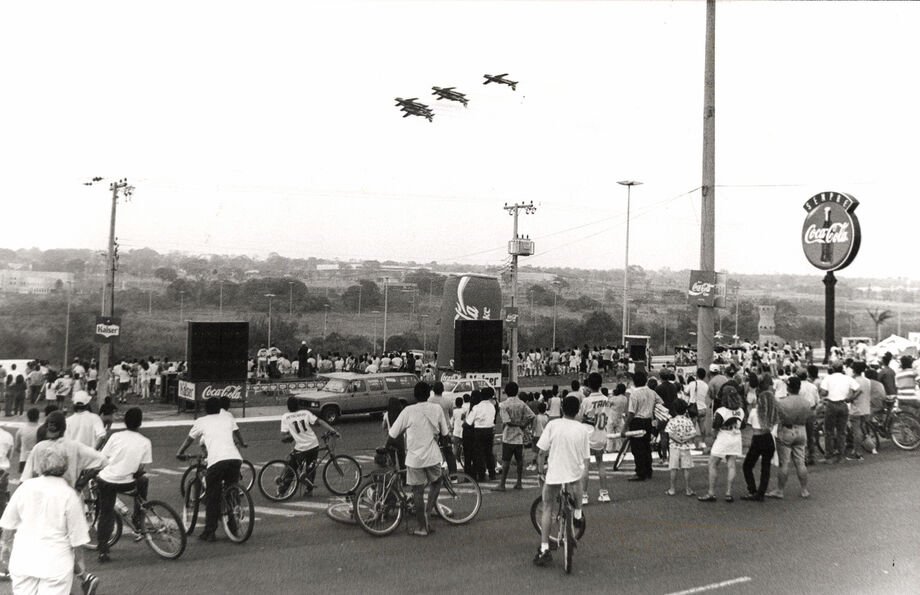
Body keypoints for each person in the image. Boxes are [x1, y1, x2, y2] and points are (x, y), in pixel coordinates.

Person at [0, 441, 100, 595]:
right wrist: (82, 571)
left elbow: (8, 525)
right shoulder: (69, 495)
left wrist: (5, 550)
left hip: (23, 559)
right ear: (65, 467)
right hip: (56, 564)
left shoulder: (25, 488)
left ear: (39, 465)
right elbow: (77, 540)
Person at [387, 382, 450, 537]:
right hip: (432, 456)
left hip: (414, 459)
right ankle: (428, 514)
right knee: (437, 482)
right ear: (428, 394)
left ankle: (422, 526)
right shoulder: (436, 408)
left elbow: (393, 434)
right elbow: (445, 433)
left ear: (414, 395)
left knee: (417, 491)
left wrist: (387, 447)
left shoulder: (408, 410)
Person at [176, 397, 243, 542]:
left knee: (213, 496)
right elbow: (235, 436)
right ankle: (234, 527)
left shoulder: (202, 421)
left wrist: (180, 452)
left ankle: (209, 531)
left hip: (217, 461)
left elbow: (189, 439)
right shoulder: (227, 419)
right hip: (235, 458)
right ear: (220, 409)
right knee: (232, 489)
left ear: (205, 409)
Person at [533, 395, 589, 567]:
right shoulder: (582, 429)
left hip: (555, 472)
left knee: (548, 507)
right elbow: (586, 459)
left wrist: (540, 470)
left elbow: (541, 452)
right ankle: (578, 512)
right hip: (573, 471)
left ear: (562, 409)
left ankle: (544, 549)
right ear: (578, 410)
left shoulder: (553, 425)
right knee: (577, 481)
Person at [94, 408, 152, 563]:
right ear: (140, 423)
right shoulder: (146, 442)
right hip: (128, 482)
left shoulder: (115, 436)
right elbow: (141, 468)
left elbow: (103, 458)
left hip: (108, 480)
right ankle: (139, 513)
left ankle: (103, 550)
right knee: (143, 480)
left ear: (125, 421)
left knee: (106, 513)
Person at [22, 411, 108, 490]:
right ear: (63, 428)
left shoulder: (38, 447)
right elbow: (103, 460)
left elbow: (26, 477)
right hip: (68, 492)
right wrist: (83, 481)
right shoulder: (75, 446)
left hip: (42, 493)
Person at [277, 397, 339, 497]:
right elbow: (320, 421)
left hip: (300, 447)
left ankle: (281, 492)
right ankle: (309, 490)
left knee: (291, 468)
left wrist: (291, 437)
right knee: (311, 468)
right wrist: (333, 430)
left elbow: (283, 435)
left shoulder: (285, 417)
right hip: (313, 444)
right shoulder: (305, 413)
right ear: (298, 405)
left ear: (288, 407)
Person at [767, 377, 813, 500]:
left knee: (784, 463)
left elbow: (776, 418)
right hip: (801, 429)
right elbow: (809, 417)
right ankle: (804, 490)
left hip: (787, 430)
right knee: (800, 462)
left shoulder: (782, 402)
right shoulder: (806, 403)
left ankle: (780, 490)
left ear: (788, 387)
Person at [698, 386, 745, 503]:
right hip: (736, 437)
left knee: (712, 463)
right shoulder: (741, 410)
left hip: (723, 438)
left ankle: (711, 492)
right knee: (731, 464)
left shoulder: (721, 411)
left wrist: (712, 440)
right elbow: (743, 426)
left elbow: (715, 429)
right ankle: (728, 493)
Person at [620, 371, 663, 482]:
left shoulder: (635, 394)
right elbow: (660, 402)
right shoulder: (651, 392)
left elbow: (631, 413)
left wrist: (625, 427)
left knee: (637, 448)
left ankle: (640, 472)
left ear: (635, 382)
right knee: (646, 446)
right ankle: (648, 470)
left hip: (637, 422)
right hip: (648, 421)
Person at [577, 372, 612, 503]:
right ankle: (604, 493)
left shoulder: (586, 401)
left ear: (589, 385)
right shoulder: (607, 399)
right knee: (600, 463)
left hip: (588, 434)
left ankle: (584, 495)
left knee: (585, 465)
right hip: (601, 433)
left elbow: (580, 417)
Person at [494, 382, 535, 492]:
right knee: (519, 460)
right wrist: (523, 425)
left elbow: (507, 421)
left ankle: (502, 484)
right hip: (519, 436)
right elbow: (532, 416)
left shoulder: (503, 405)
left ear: (506, 392)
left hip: (508, 435)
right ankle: (519, 482)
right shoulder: (521, 403)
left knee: (506, 460)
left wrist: (518, 424)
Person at [741, 385, 778, 501]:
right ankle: (761, 493)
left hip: (757, 439)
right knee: (765, 467)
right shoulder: (773, 413)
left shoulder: (754, 412)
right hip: (768, 438)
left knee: (747, 465)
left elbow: (749, 426)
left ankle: (752, 489)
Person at [819, 363, 860, 464]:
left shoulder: (828, 378)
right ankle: (841, 456)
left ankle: (829, 456)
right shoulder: (847, 378)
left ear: (832, 368)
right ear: (842, 369)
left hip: (831, 405)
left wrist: (826, 392)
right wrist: (850, 398)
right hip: (843, 404)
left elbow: (823, 393)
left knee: (829, 432)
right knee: (842, 432)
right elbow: (858, 390)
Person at [664, 399, 696, 497]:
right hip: (685, 447)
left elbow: (670, 434)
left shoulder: (672, 421)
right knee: (686, 468)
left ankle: (672, 489)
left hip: (674, 447)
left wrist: (678, 440)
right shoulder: (688, 421)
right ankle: (688, 489)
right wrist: (684, 439)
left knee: (674, 468)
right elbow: (693, 433)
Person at [466, 388, 497, 481]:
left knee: (479, 454)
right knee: (489, 452)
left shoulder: (477, 407)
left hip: (479, 431)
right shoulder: (492, 407)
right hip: (489, 430)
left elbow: (468, 422)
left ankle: (481, 474)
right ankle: (492, 473)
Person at [13, 408, 41, 473]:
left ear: (27, 417)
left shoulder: (21, 429)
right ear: (38, 417)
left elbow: (17, 447)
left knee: (24, 481)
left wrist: (24, 452)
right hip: (36, 459)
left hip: (24, 458)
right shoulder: (41, 429)